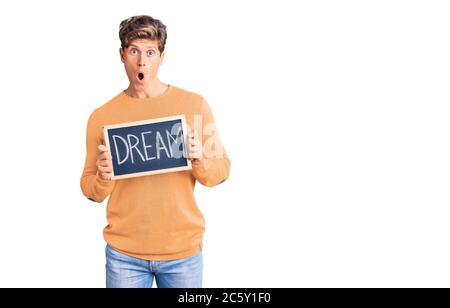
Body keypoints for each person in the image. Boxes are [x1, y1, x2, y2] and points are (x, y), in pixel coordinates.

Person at [80, 15, 230, 288]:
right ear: (122, 55)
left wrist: (200, 160)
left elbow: (221, 172)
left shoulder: (194, 106)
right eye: (134, 51)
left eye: (150, 52)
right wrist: (102, 176)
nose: (142, 61)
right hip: (124, 255)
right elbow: (89, 190)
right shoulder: (101, 117)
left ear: (161, 57)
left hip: (183, 253)